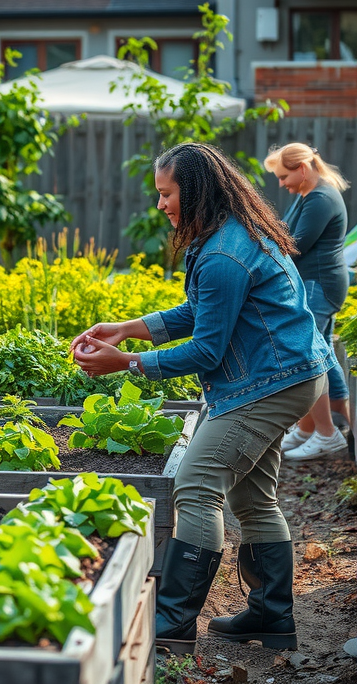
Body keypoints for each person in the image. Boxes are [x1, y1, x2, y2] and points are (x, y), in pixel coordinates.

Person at [72, 142, 333, 654]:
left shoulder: (222, 253)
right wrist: (127, 329)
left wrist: (124, 363)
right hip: (286, 374)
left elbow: (208, 350)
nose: (161, 204)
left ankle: (171, 624)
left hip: (272, 381)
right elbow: (200, 311)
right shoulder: (226, 236)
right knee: (252, 498)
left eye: (166, 194)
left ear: (193, 191)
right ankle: (271, 618)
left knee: (195, 484)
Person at [264, 143, 352, 461]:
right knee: (324, 355)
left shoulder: (320, 198)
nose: (281, 183)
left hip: (319, 285)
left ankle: (327, 434)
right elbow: (283, 233)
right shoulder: (309, 195)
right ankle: (320, 429)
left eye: (284, 175)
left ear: (302, 168)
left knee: (307, 356)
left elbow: (293, 245)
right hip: (319, 284)